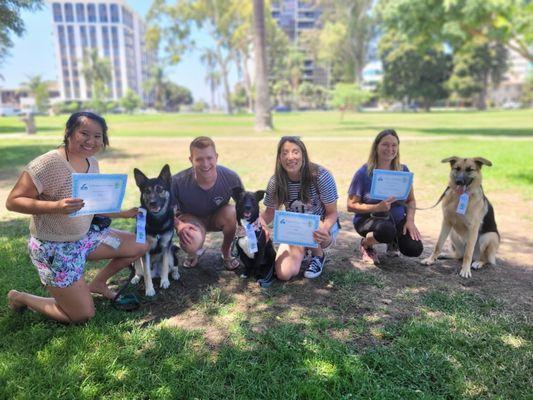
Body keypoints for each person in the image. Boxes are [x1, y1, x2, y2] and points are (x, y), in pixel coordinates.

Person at [5, 111, 149, 324]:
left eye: (98, 136)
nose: (91, 141)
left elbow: (91, 205)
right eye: (84, 133)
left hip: (86, 237)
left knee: (140, 244)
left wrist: (123, 213)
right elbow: (13, 201)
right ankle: (20, 297)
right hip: (55, 247)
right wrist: (55, 206)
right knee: (82, 315)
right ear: (69, 132)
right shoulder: (46, 164)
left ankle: (98, 284)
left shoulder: (92, 162)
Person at [261, 136, 339, 281]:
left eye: (295, 152)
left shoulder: (321, 175)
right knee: (284, 274)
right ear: (279, 157)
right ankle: (303, 251)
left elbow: (333, 212)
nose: (290, 157)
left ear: (303, 155)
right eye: (284, 153)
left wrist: (325, 228)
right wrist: (258, 225)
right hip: (295, 229)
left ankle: (318, 255)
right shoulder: (276, 180)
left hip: (321, 228)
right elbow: (268, 213)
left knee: (312, 223)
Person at [347, 129, 423, 264]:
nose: (390, 149)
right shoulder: (364, 172)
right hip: (369, 220)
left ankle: (393, 241)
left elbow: (410, 200)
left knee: (414, 249)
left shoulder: (403, 170)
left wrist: (410, 220)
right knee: (386, 231)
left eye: (394, 145)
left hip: (396, 219)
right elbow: (351, 205)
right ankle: (366, 244)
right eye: (385, 144)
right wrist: (376, 207)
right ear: (376, 146)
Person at [172, 136, 243, 270]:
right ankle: (193, 254)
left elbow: (244, 204)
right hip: (192, 220)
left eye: (209, 158)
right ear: (191, 160)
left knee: (232, 212)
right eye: (199, 159)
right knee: (191, 243)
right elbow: (164, 212)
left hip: (218, 217)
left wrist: (244, 227)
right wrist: (179, 225)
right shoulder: (177, 181)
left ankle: (226, 251)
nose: (205, 164)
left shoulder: (230, 177)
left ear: (216, 157)